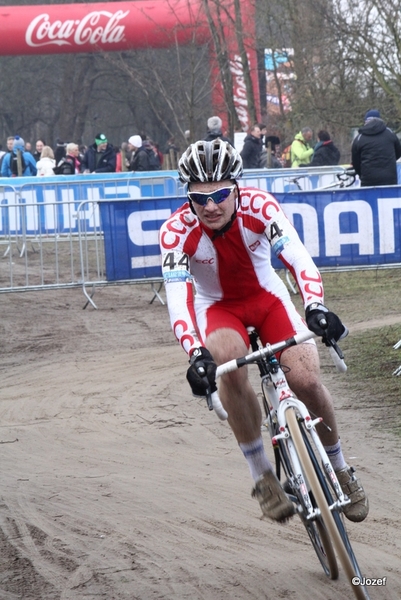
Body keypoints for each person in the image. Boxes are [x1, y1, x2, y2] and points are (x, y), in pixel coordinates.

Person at [159, 139, 368, 524]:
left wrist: (316, 306)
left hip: (265, 297)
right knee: (226, 360)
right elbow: (178, 298)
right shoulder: (176, 231)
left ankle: (340, 466)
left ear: (237, 187)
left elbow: (297, 256)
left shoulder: (259, 206)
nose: (210, 206)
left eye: (220, 194)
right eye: (199, 197)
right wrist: (195, 353)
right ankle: (262, 476)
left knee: (305, 379)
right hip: (218, 307)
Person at [351, 109, 401, 187]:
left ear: (366, 121)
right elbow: (398, 152)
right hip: (389, 178)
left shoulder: (359, 138)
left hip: (368, 179)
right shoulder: (390, 133)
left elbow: (356, 162)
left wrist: (362, 175)